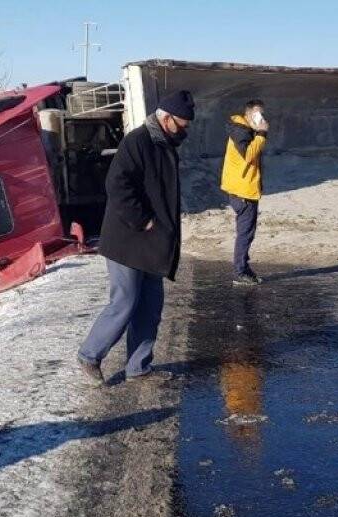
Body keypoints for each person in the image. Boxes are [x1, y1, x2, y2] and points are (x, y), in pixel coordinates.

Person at [77, 90, 195, 384]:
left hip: (152, 242)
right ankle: (89, 355)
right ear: (166, 119)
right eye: (182, 125)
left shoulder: (165, 142)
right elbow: (116, 185)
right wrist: (142, 220)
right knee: (125, 302)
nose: (185, 131)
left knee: (150, 306)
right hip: (127, 240)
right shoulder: (138, 141)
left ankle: (138, 366)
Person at [220, 99, 269, 285]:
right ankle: (241, 272)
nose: (261, 118)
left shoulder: (243, 130)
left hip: (243, 189)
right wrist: (262, 133)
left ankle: (243, 268)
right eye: (258, 114)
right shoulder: (241, 131)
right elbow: (248, 155)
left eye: (263, 114)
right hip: (243, 192)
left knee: (247, 232)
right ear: (248, 115)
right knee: (245, 233)